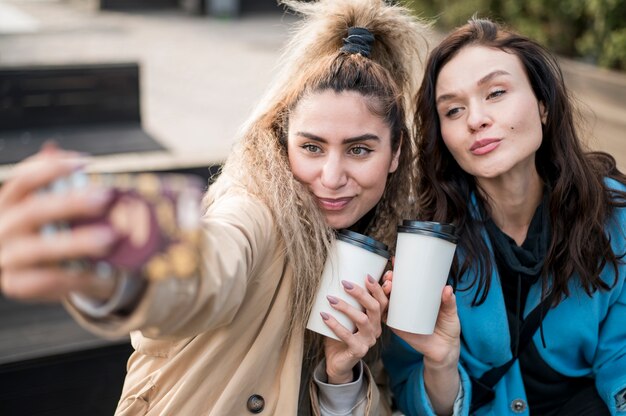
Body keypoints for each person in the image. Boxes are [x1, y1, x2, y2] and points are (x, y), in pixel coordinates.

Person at [0, 0, 430, 415]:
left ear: (394, 155)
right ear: (284, 140)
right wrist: (115, 257)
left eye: (358, 150)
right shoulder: (257, 207)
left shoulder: (387, 250)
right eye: (312, 147)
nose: (332, 176)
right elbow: (213, 262)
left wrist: (341, 376)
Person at [382, 17, 626, 416]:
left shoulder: (614, 215)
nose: (475, 119)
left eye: (496, 93)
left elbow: (621, 362)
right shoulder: (424, 241)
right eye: (454, 110)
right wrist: (440, 362)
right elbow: (407, 389)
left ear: (543, 106)